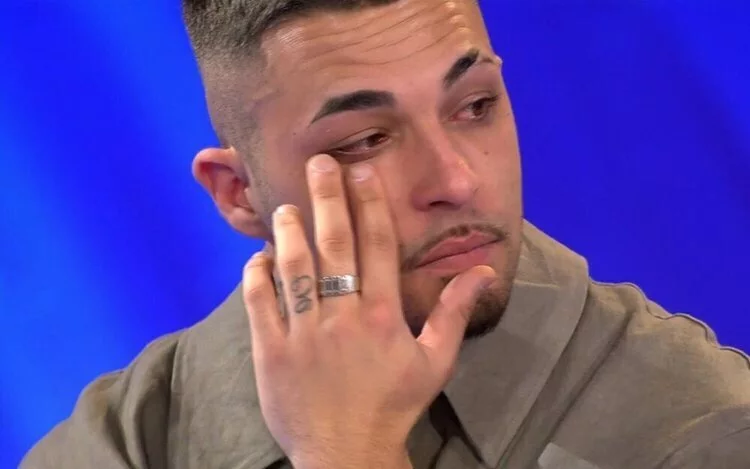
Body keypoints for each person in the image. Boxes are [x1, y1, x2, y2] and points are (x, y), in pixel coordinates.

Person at [22, 0, 750, 468]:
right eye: (365, 140)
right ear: (238, 194)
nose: (456, 180)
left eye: (475, 105)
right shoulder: (124, 443)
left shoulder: (702, 426)